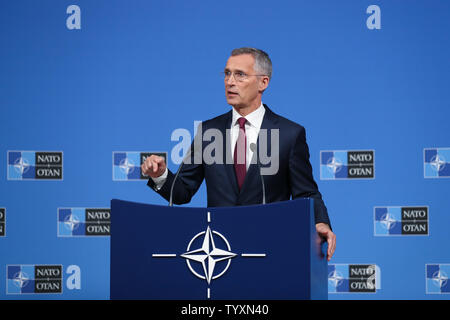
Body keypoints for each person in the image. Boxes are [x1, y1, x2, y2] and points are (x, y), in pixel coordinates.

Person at [142, 47, 336, 261]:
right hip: (217, 254)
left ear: (263, 82)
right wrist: (160, 175)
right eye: (227, 73)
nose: (230, 81)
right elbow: (182, 191)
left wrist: (321, 222)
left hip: (270, 251)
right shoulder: (208, 132)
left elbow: (306, 192)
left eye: (240, 75)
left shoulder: (289, 134)